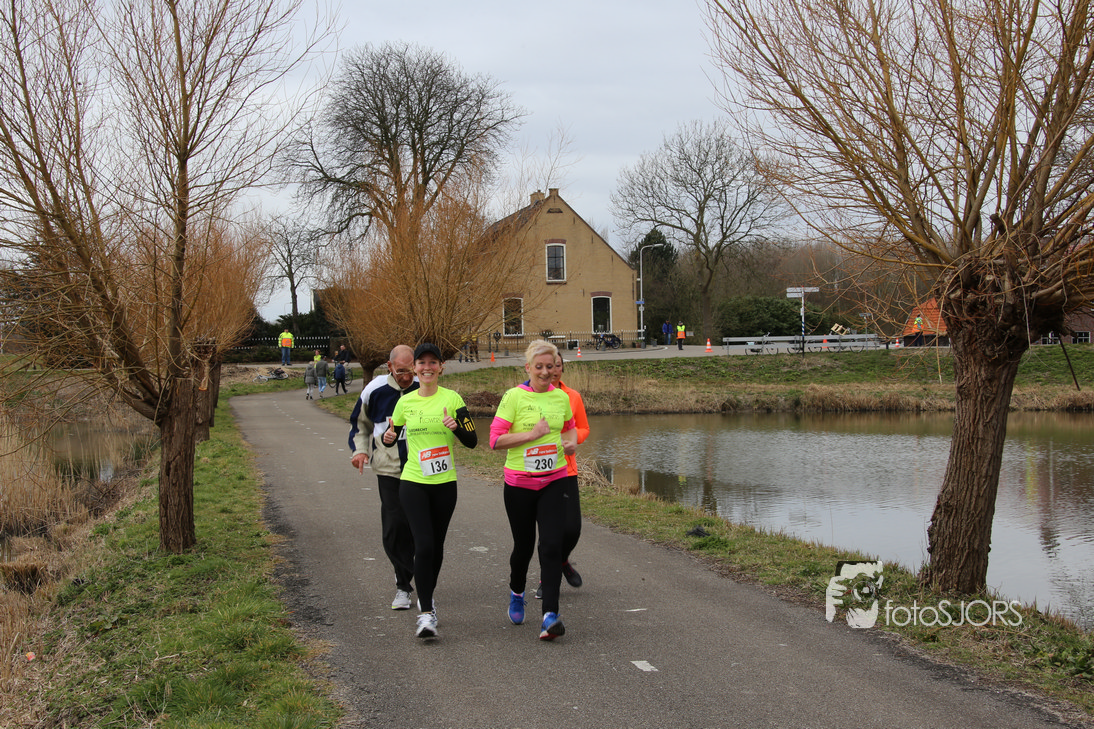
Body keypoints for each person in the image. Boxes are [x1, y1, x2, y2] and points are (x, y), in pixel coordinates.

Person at [382, 343, 477, 639]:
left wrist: (456, 427)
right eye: (421, 363)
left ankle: (427, 596)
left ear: (441, 367)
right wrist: (387, 438)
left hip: (445, 484)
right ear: (414, 368)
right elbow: (392, 435)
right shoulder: (405, 402)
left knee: (436, 546)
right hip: (413, 482)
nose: (427, 367)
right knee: (423, 545)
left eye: (432, 362)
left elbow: (472, 440)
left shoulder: (453, 399)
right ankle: (425, 613)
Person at [490, 340, 578, 641]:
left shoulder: (561, 398)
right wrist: (532, 434)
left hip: (554, 480)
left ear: (556, 368)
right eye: (538, 366)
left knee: (551, 546)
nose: (544, 372)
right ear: (528, 368)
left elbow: (570, 427)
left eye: (549, 366)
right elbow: (495, 440)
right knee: (524, 547)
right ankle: (517, 592)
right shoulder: (514, 397)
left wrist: (571, 443)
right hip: (520, 485)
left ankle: (550, 615)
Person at [349, 345, 419, 612]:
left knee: (418, 528)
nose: (407, 376)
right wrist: (360, 451)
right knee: (394, 528)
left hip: (421, 470)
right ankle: (403, 585)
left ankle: (419, 580)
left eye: (411, 370)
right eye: (401, 371)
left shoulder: (423, 389)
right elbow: (360, 425)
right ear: (390, 367)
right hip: (389, 469)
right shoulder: (375, 390)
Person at [534, 353, 589, 600]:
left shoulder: (572, 396)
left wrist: (573, 440)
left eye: (557, 365)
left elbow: (583, 427)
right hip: (540, 471)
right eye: (547, 365)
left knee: (572, 528)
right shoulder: (529, 395)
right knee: (548, 532)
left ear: (562, 369)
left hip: (566, 470)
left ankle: (562, 560)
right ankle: (547, 580)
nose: (552, 370)